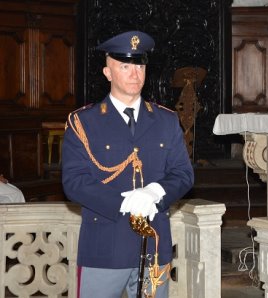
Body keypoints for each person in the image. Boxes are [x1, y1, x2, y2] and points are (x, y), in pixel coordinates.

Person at [62, 31, 194, 298]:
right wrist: (124, 202)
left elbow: (183, 173)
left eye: (140, 65)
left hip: (155, 245)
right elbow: (74, 182)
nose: (135, 74)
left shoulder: (166, 120)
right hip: (104, 247)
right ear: (107, 73)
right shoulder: (84, 122)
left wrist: (156, 192)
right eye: (125, 66)